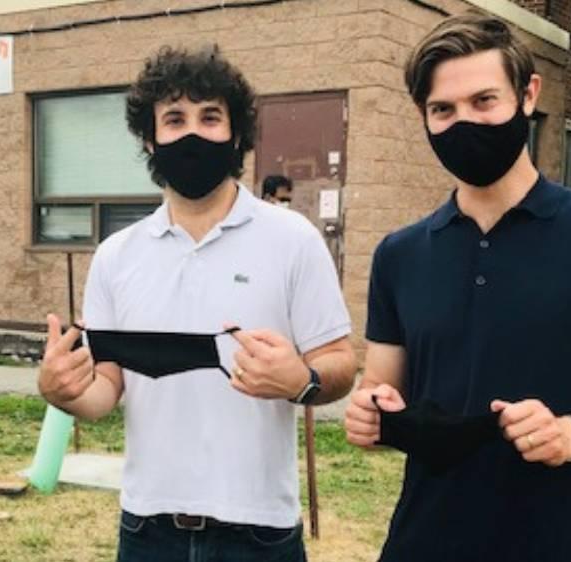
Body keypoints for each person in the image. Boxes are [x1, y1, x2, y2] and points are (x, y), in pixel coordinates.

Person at [343, 14, 571, 562]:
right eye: (444, 110)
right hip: (422, 542)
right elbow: (383, 390)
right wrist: (372, 410)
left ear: (528, 95)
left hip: (562, 544)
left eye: (484, 101)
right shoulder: (400, 254)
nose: (465, 123)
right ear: (424, 116)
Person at [39, 45, 357, 562]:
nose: (191, 133)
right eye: (174, 119)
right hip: (148, 528)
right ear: (150, 137)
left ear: (236, 134)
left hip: (261, 531)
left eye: (210, 117)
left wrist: (302, 380)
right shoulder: (117, 256)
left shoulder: (291, 239)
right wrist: (63, 391)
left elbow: (341, 362)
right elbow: (106, 391)